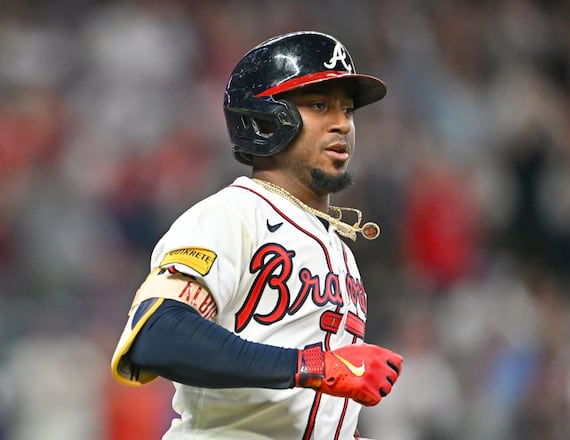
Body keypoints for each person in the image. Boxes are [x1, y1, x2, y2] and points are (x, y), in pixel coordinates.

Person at [111, 31, 403, 440]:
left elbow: (302, 408)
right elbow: (156, 334)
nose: (342, 124)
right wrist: (314, 366)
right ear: (266, 118)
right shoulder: (230, 216)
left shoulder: (341, 253)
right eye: (320, 105)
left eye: (348, 110)